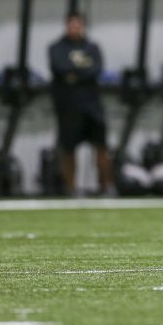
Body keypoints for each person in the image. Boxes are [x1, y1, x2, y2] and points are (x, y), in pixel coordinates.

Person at [48, 12, 113, 197]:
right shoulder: (57, 48)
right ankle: (71, 188)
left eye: (78, 25)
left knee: (101, 146)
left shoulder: (92, 47)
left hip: (92, 106)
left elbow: (95, 70)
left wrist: (74, 75)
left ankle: (106, 186)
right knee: (68, 149)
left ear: (82, 26)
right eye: (71, 25)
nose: (75, 28)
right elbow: (59, 68)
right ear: (66, 26)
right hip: (68, 107)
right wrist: (82, 71)